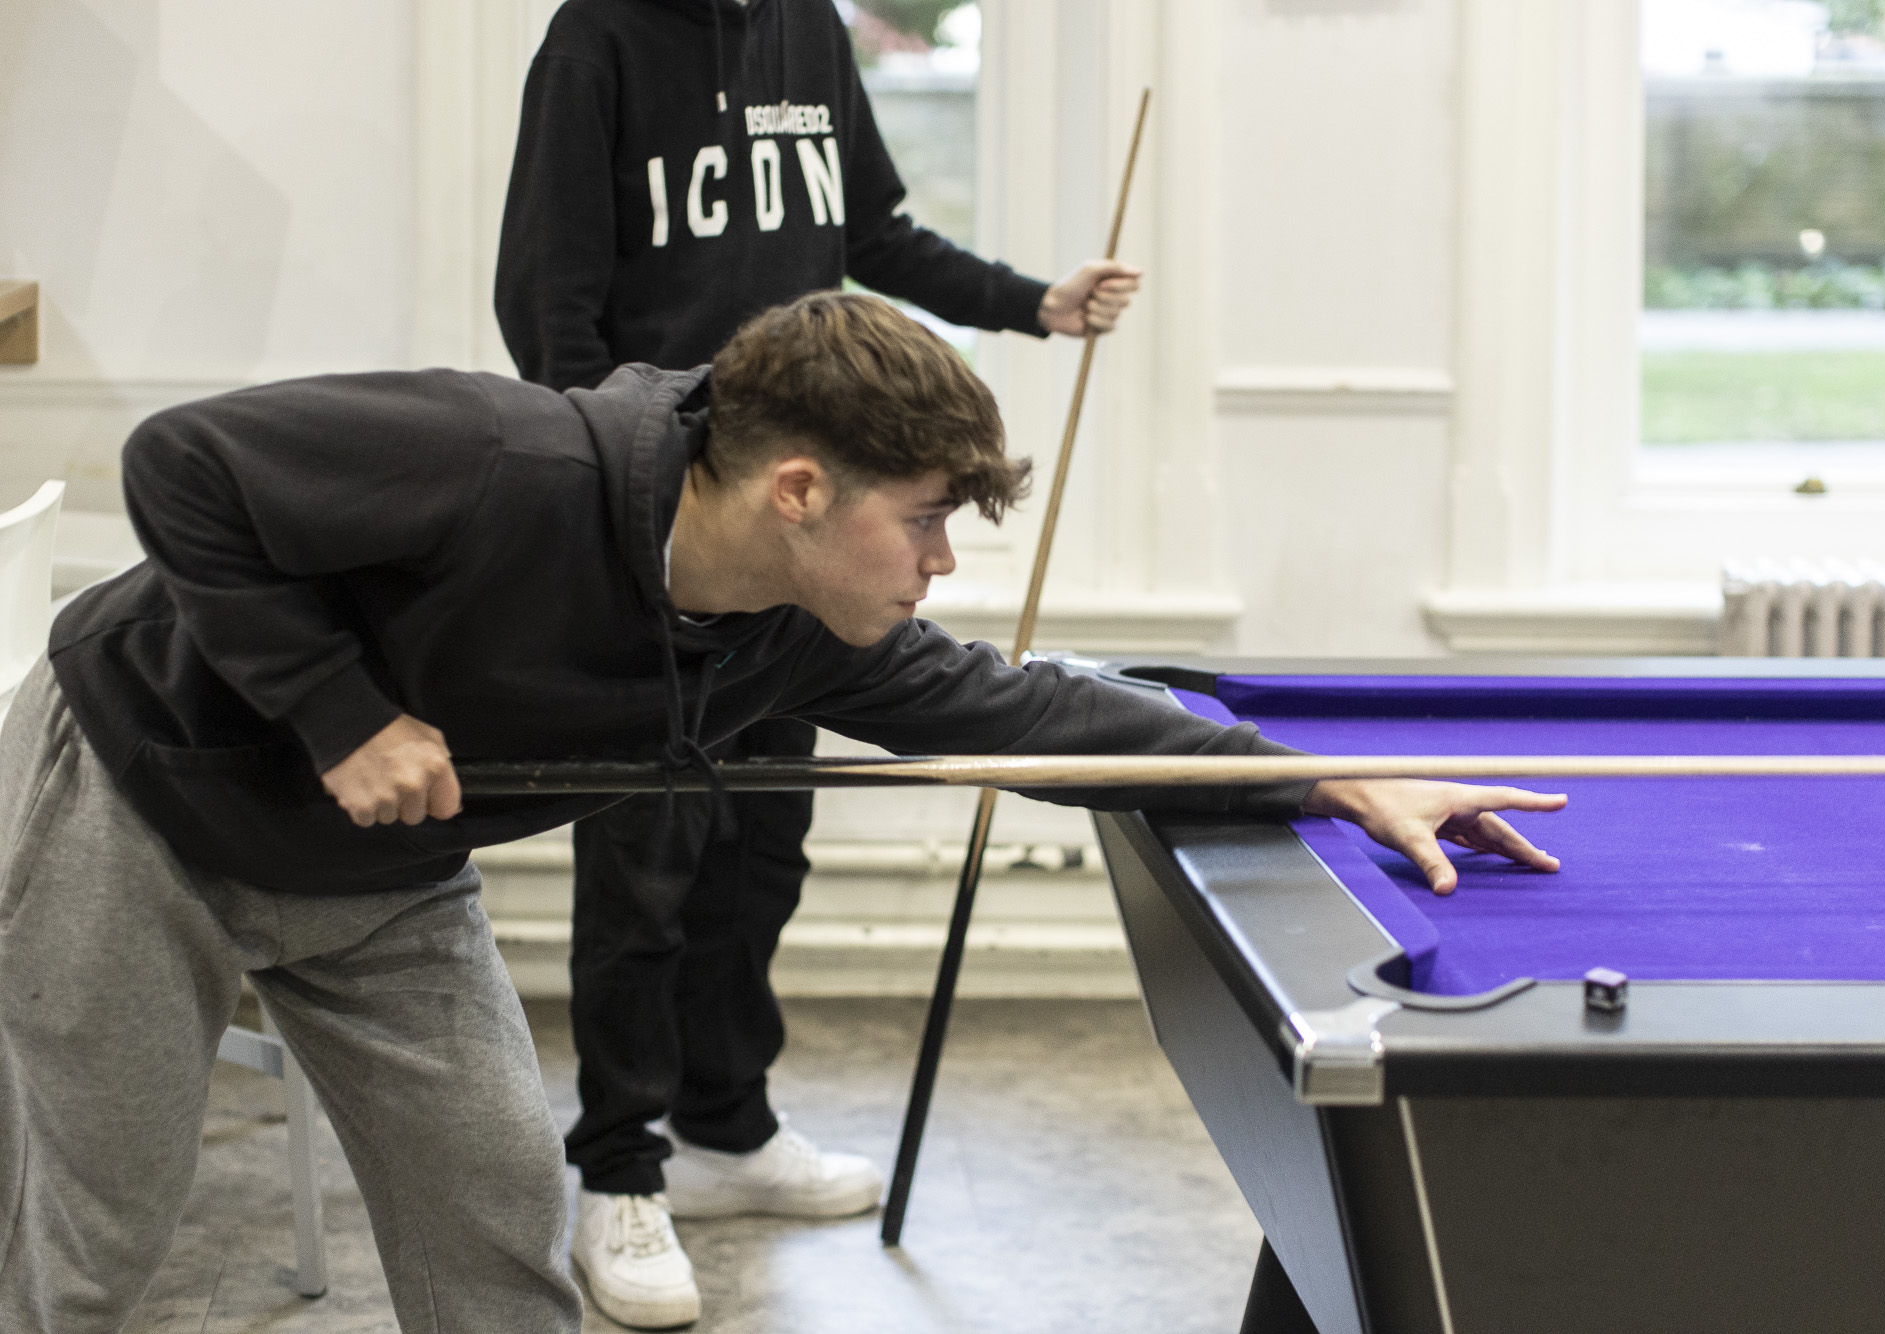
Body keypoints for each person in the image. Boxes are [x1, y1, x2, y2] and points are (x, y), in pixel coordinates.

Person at [0, 293, 1562, 1334]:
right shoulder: (503, 460)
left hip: (382, 866)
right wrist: (341, 711)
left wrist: (1306, 774)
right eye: (927, 520)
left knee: (493, 1197)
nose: (943, 563)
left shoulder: (801, 624)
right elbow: (180, 461)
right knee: (96, 1239)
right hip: (143, 790)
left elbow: (1020, 708)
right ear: (801, 489)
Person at [493, 2, 1140, 1321]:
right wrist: (617, 499)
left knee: (760, 851)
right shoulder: (597, 40)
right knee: (646, 871)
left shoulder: (803, 26)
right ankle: (619, 1167)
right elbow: (546, 306)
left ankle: (728, 1129)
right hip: (671, 531)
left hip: (806, 526)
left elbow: (871, 235)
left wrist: (1032, 303)